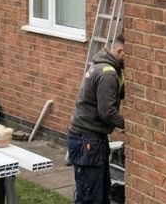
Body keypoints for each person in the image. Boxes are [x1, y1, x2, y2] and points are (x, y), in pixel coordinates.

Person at [68, 34, 125, 204]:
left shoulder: (100, 64)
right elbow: (106, 112)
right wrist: (130, 126)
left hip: (87, 138)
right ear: (120, 51)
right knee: (91, 197)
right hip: (88, 141)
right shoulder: (108, 74)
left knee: (99, 194)